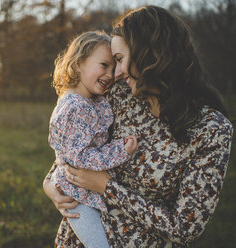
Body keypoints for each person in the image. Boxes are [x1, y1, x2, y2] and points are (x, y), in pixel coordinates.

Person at [43, 5, 233, 247]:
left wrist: (107, 188)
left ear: (152, 55)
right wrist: (49, 184)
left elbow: (184, 228)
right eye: (111, 63)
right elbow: (76, 146)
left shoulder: (211, 130)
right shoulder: (119, 96)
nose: (116, 73)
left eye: (120, 60)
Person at [48, 31, 138, 248]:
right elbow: (81, 158)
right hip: (77, 196)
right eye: (104, 65)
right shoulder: (74, 108)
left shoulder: (91, 100)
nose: (111, 73)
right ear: (78, 64)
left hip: (83, 189)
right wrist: (120, 150)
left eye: (113, 66)